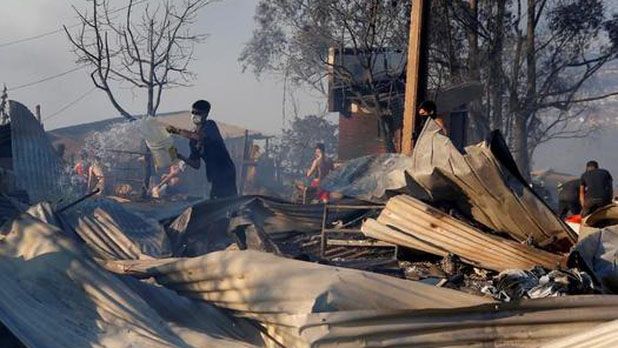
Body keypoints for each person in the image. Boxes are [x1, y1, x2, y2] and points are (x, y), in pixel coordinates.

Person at [166, 100, 237, 199]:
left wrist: (177, 131)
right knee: (215, 198)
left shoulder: (210, 126)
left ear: (206, 114)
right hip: (212, 173)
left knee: (227, 198)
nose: (195, 115)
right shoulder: (192, 140)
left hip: (225, 170)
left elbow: (199, 137)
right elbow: (196, 164)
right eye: (193, 112)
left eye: (198, 113)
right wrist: (180, 156)